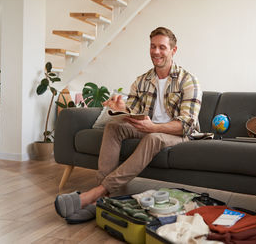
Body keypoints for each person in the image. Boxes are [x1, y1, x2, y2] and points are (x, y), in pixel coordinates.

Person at [55, 27, 202, 222]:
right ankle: (103, 199)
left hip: (177, 133)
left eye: (162, 47)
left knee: (153, 137)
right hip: (148, 128)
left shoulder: (189, 81)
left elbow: (186, 125)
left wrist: (154, 128)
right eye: (152, 46)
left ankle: (95, 194)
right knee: (114, 127)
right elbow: (133, 113)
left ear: (173, 51)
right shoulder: (142, 81)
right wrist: (120, 109)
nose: (156, 52)